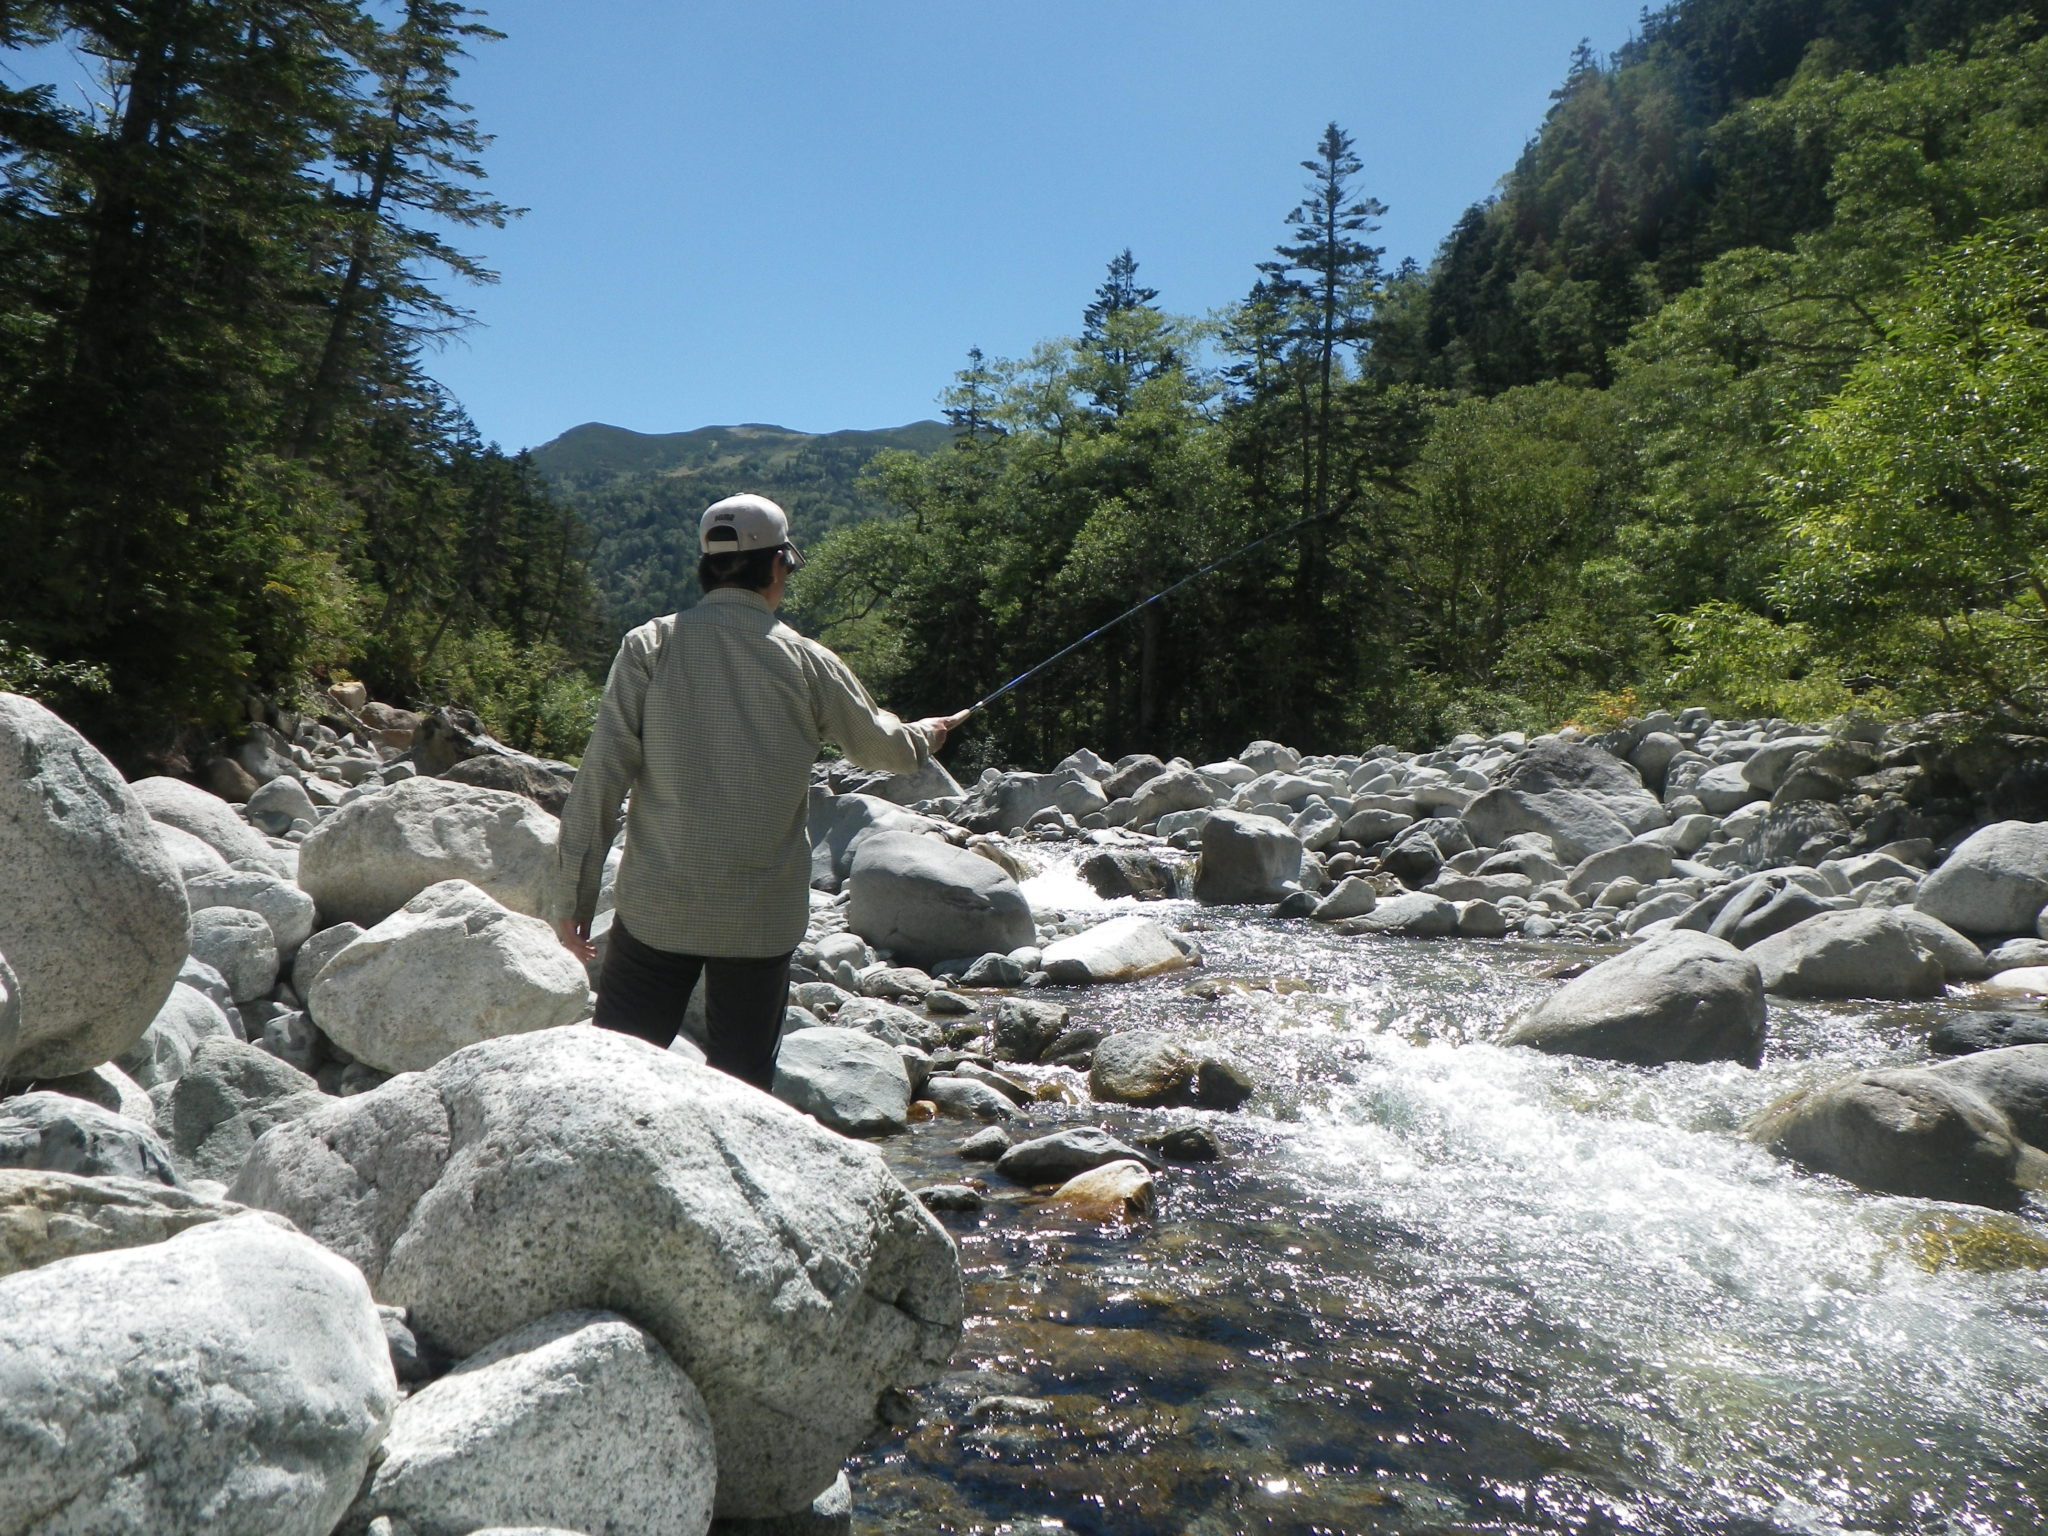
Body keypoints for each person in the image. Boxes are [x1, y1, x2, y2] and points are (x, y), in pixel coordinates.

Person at [551, 493, 969, 1088]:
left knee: (616, 1076)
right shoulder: (806, 659)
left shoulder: (649, 645)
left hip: (656, 908)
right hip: (758, 918)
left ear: (705, 567)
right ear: (778, 566)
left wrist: (573, 902)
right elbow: (884, 751)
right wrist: (926, 734)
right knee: (743, 1088)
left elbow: (601, 778)